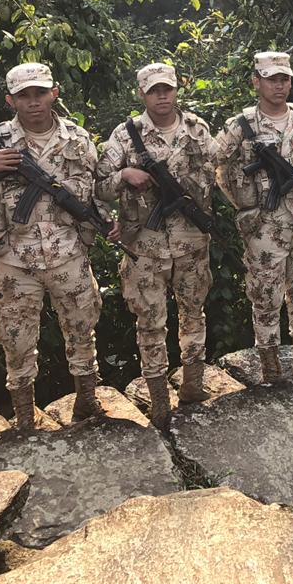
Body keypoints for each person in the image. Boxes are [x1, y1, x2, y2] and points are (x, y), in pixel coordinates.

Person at [0, 63, 106, 428]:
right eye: (24, 95)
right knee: (15, 338)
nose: (34, 102)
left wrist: (102, 227)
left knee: (81, 327)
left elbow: (96, 189)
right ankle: (26, 416)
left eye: (40, 93)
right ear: (11, 100)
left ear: (54, 93)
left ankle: (87, 400)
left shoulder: (77, 138)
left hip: (67, 252)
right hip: (12, 258)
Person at [96, 63, 217, 426]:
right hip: (144, 244)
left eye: (167, 89)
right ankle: (160, 397)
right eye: (153, 90)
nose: (162, 96)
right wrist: (123, 176)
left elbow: (219, 171)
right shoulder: (124, 134)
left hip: (191, 239)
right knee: (149, 320)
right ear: (141, 94)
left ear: (177, 90)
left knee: (194, 311)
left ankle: (193, 384)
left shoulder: (198, 129)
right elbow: (97, 185)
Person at [214, 51, 293, 383]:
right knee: (265, 295)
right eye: (271, 79)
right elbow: (214, 163)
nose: (279, 86)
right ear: (256, 82)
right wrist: (241, 203)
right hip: (264, 225)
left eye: (284, 79)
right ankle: (271, 366)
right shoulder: (241, 125)